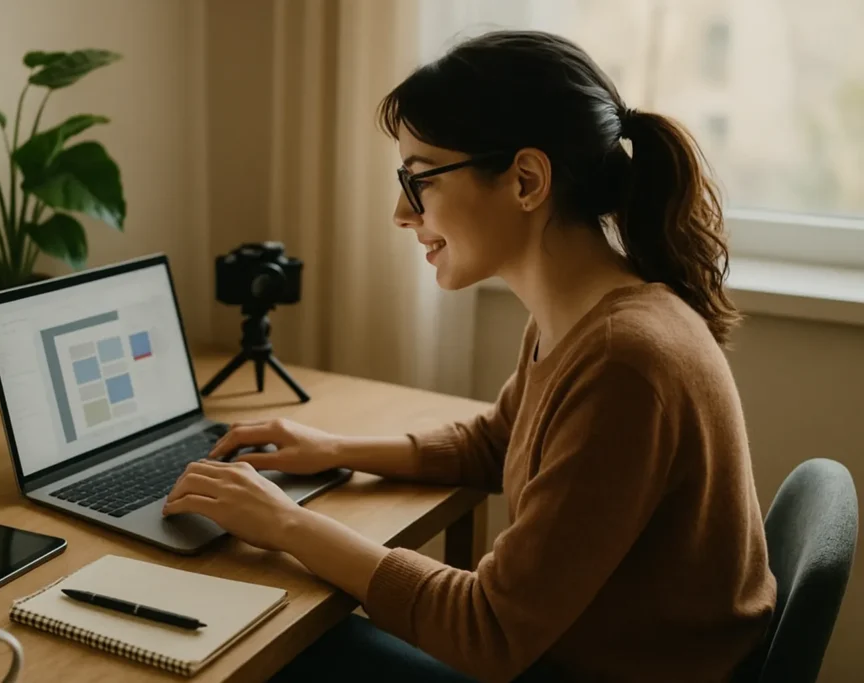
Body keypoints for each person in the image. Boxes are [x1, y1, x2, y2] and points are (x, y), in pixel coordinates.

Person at [162, 30, 777, 683]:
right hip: (580, 653)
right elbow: (495, 443)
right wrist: (333, 447)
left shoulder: (624, 361)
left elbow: (486, 630)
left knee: (272, 648)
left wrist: (283, 522)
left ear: (526, 180)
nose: (402, 211)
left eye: (420, 177)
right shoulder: (582, 317)